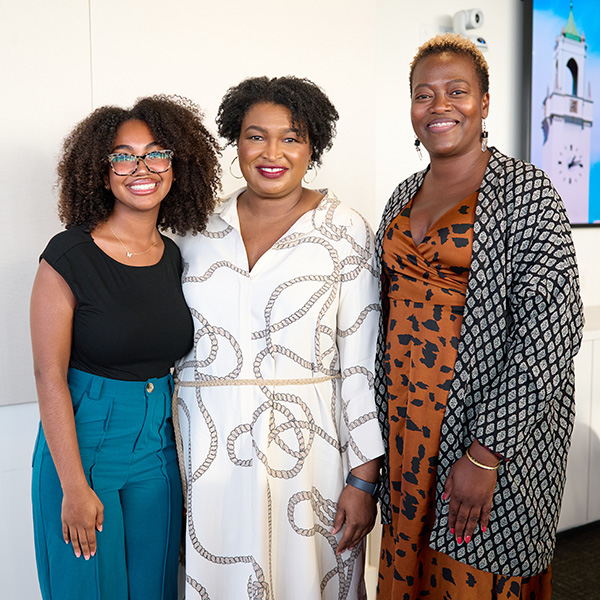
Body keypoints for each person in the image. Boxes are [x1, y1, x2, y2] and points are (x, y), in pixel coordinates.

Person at [374, 34, 584, 600]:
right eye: (424, 94)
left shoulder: (526, 190)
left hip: (485, 432)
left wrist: (486, 452)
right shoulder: (401, 196)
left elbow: (553, 328)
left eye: (457, 91)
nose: (439, 105)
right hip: (405, 431)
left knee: (473, 571)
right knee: (409, 569)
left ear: (485, 103)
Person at [174, 76, 384, 599]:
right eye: (255, 136)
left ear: (313, 146)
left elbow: (361, 366)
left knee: (307, 582)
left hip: (309, 454)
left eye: (291, 137)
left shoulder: (346, 229)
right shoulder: (195, 228)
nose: (272, 153)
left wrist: (363, 480)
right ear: (235, 141)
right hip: (206, 452)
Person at [30, 95, 221, 600]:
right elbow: (49, 378)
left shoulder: (177, 257)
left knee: (157, 589)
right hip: (83, 447)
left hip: (157, 451)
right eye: (123, 155)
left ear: (177, 165)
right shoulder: (68, 255)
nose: (141, 168)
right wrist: (72, 486)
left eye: (156, 153)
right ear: (102, 169)